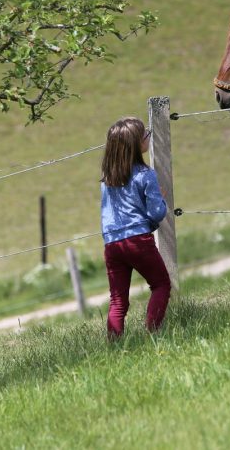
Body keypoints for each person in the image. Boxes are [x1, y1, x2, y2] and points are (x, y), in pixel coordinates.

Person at [100, 116, 171, 339]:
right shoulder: (146, 175)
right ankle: (153, 333)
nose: (148, 137)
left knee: (118, 299)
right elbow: (156, 213)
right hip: (138, 241)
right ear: (136, 145)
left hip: (112, 244)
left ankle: (114, 344)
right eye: (145, 135)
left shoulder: (106, 179)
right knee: (161, 285)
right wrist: (162, 200)